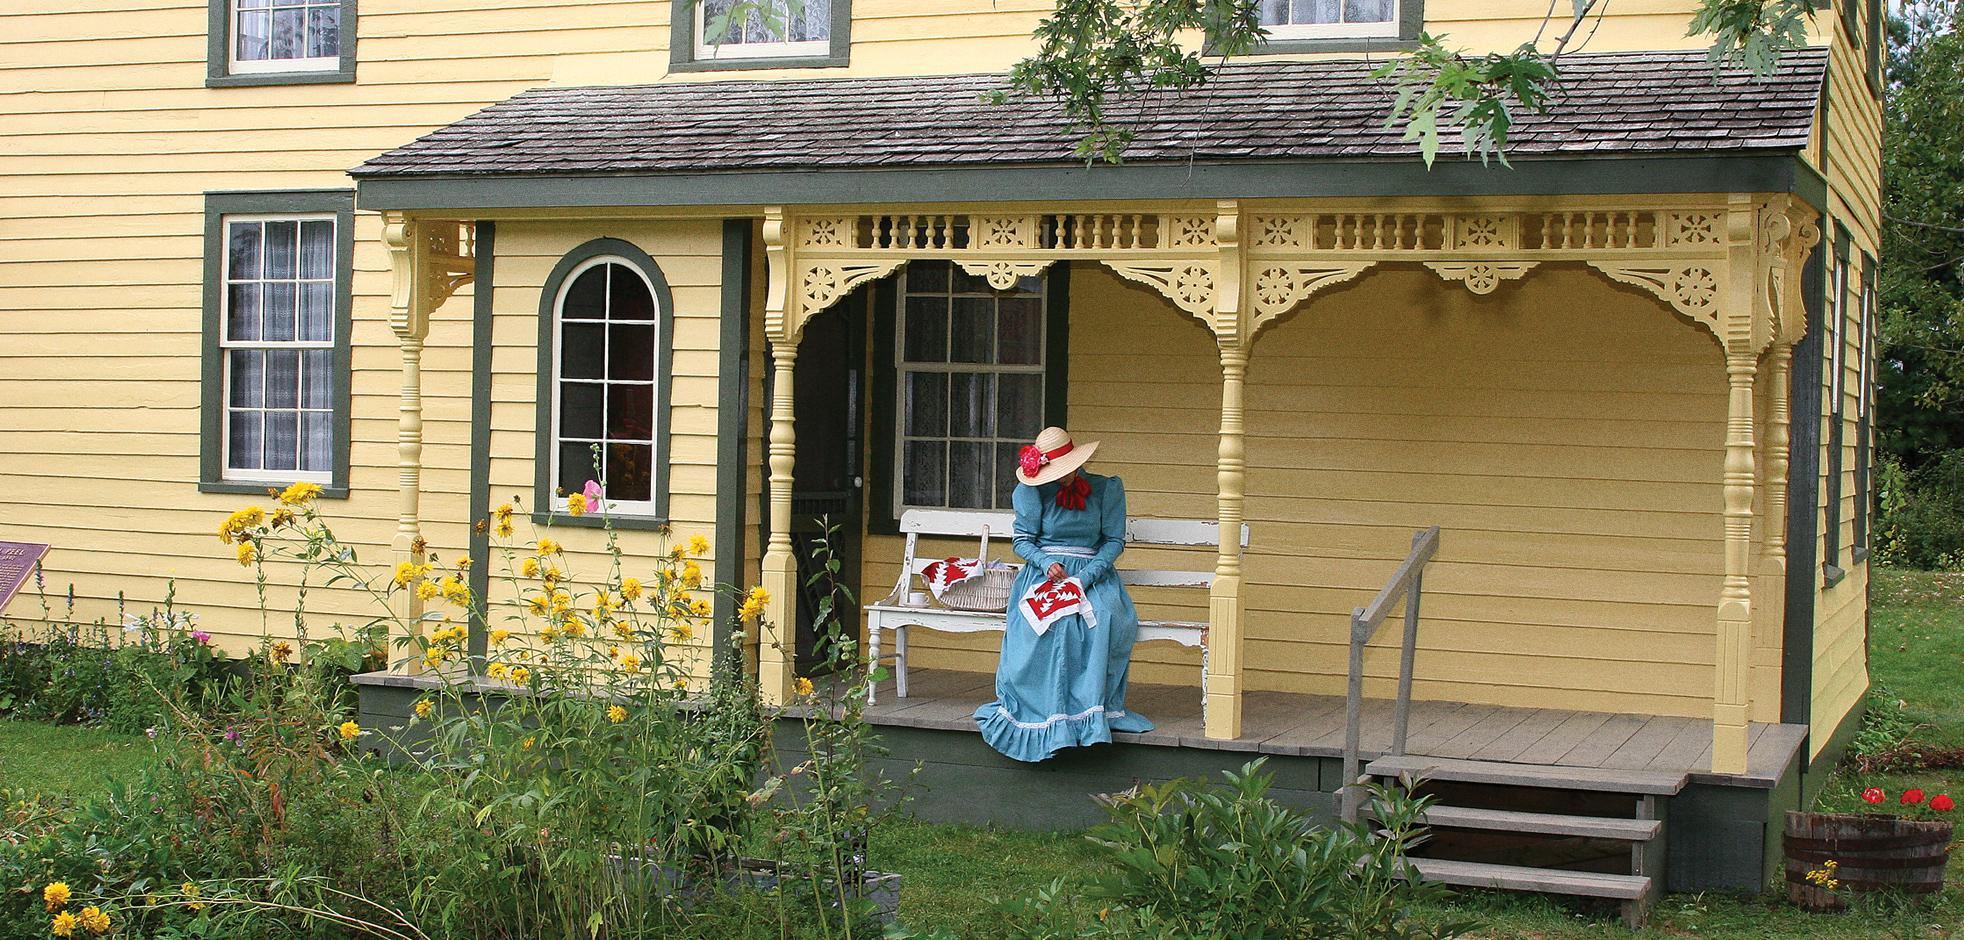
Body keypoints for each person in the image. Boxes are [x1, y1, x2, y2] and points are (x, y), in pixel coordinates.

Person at [974, 426, 1152, 762]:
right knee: (1046, 624)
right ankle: (1048, 712)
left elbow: (1113, 542)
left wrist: (1085, 578)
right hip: (1046, 574)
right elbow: (1022, 541)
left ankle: (1088, 713)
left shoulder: (1106, 489)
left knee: (1098, 617)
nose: (1063, 477)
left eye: (1067, 469)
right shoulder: (1031, 492)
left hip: (1093, 575)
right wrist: (1045, 562)